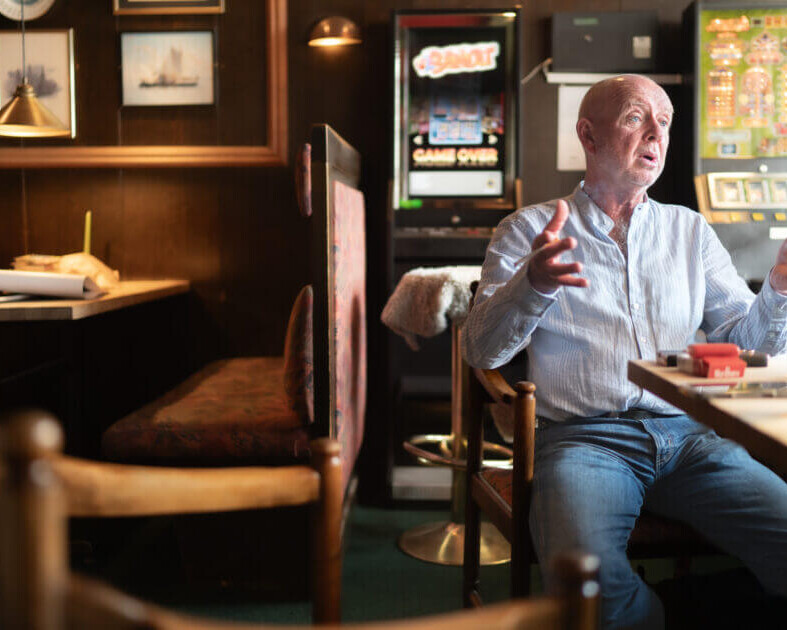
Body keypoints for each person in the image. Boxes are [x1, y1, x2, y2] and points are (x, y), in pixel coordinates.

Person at [462, 74, 787, 629]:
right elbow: (481, 350)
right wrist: (534, 283)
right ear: (589, 136)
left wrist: (778, 289)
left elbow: (746, 346)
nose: (656, 134)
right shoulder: (529, 228)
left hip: (692, 438)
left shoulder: (690, 230)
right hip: (584, 442)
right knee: (580, 581)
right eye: (637, 118)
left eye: (665, 122)